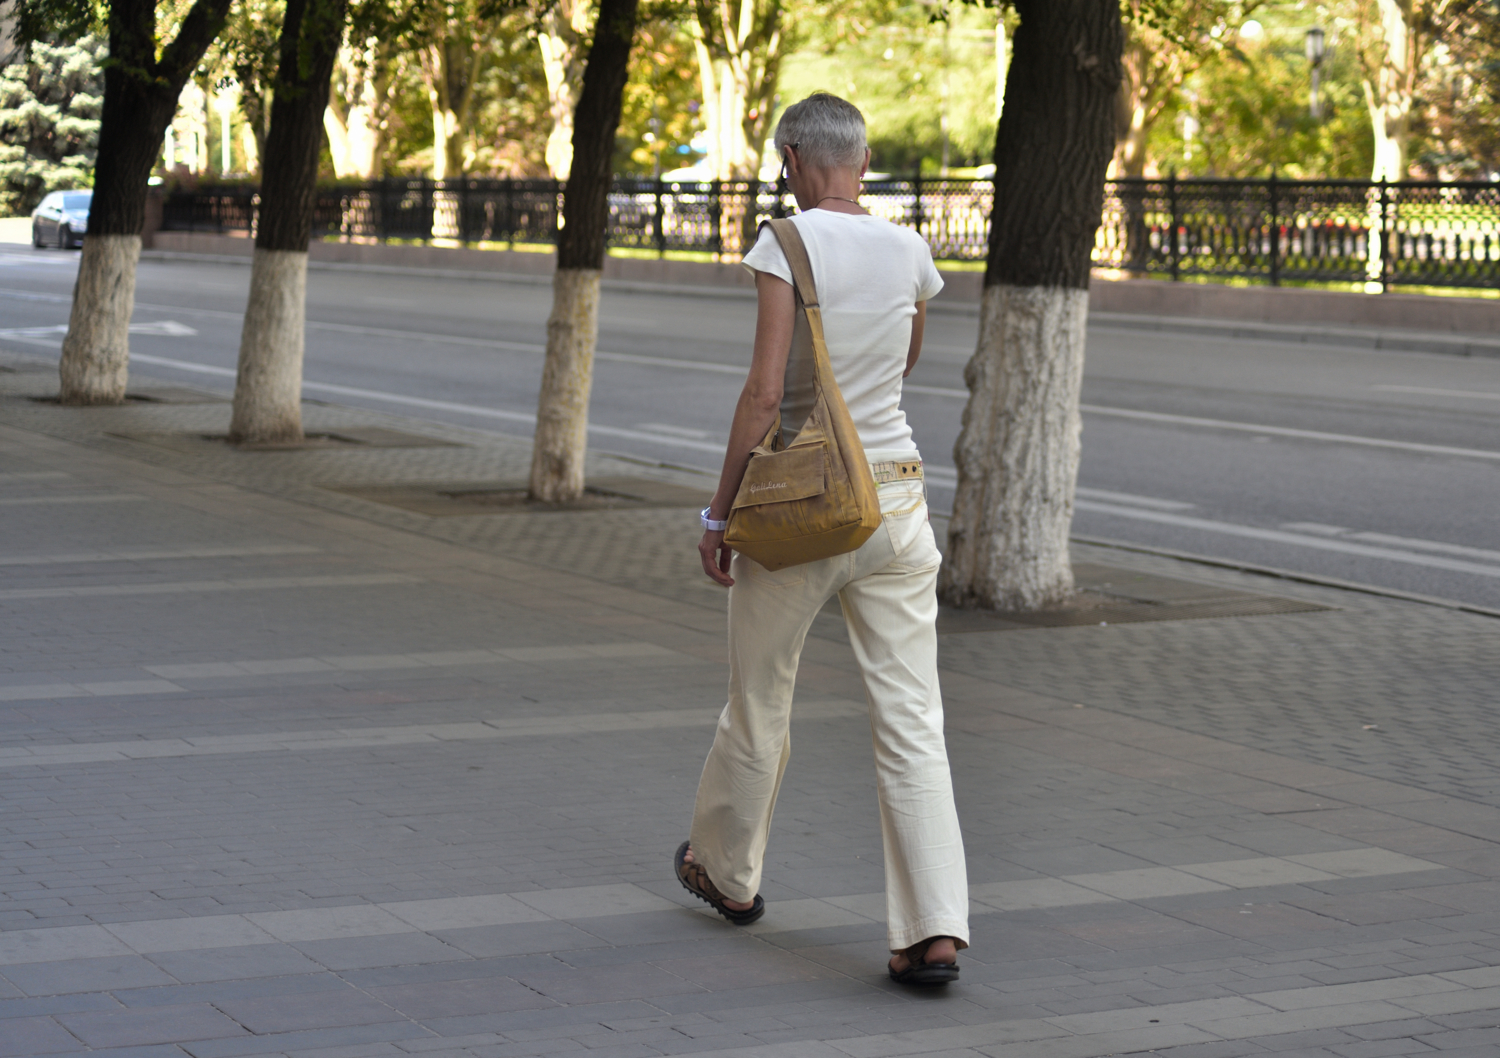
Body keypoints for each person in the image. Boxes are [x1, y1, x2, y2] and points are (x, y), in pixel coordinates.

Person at [673, 92, 969, 986]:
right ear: (865, 162)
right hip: (900, 506)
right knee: (913, 719)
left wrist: (719, 515)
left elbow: (766, 395)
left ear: (794, 158)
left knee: (761, 698)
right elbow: (904, 361)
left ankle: (726, 875)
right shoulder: (910, 248)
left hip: (802, 512)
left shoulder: (786, 243)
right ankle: (932, 931)